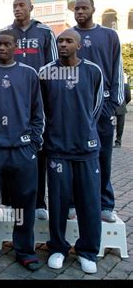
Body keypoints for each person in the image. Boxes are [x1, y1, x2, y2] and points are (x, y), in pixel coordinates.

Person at [0, 30, 44, 272]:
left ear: (16, 47)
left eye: (6, 44)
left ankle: (24, 249)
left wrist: (34, 144)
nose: (2, 48)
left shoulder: (29, 74)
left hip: (22, 149)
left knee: (24, 203)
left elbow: (38, 112)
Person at [41, 29, 104, 274]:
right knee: (57, 201)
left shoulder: (92, 71)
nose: (63, 44)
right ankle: (57, 247)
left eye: (69, 41)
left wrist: (84, 129)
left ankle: (88, 251)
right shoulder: (46, 73)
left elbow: (96, 108)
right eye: (60, 41)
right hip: (57, 148)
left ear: (79, 45)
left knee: (89, 201)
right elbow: (42, 107)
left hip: (86, 149)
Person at [0, 0, 58, 220]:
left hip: (36, 96)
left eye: (22, 5)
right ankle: (7, 200)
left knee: (37, 149)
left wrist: (50, 99)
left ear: (31, 7)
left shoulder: (45, 32)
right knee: (6, 148)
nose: (18, 9)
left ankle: (38, 201)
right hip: (10, 97)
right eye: (14, 5)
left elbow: (54, 67)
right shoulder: (3, 32)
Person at [73, 0, 125, 223]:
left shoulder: (109, 35)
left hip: (103, 107)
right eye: (76, 9)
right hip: (76, 107)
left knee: (103, 155)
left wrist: (114, 104)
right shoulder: (68, 37)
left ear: (93, 9)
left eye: (84, 8)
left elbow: (117, 70)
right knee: (74, 155)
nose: (80, 12)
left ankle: (106, 204)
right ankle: (74, 203)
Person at [114, 80, 131, 148]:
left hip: (118, 109)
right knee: (120, 126)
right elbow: (128, 98)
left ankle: (118, 141)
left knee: (119, 126)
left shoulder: (125, 86)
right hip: (118, 108)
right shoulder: (125, 85)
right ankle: (118, 141)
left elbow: (128, 97)